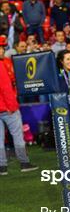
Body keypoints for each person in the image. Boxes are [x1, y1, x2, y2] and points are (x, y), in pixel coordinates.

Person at [0, 40, 38, 175]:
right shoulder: (1, 64)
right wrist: (13, 106)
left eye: (3, 48)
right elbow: (5, 89)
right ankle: (24, 163)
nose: (2, 50)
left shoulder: (5, 62)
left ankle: (2, 167)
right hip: (7, 108)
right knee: (17, 136)